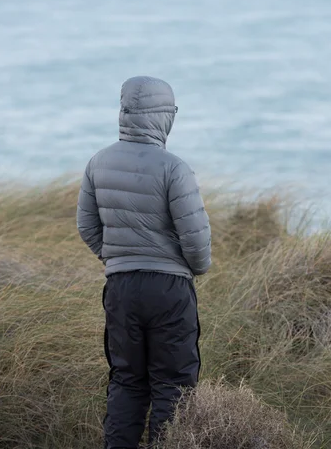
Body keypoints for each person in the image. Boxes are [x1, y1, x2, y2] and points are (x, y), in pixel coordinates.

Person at [76, 76, 212, 449]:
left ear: (125, 112)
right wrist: (194, 268)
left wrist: (116, 257)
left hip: (120, 287)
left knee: (126, 381)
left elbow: (86, 226)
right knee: (173, 386)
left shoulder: (97, 162)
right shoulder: (175, 168)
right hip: (169, 290)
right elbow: (197, 240)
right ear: (164, 116)